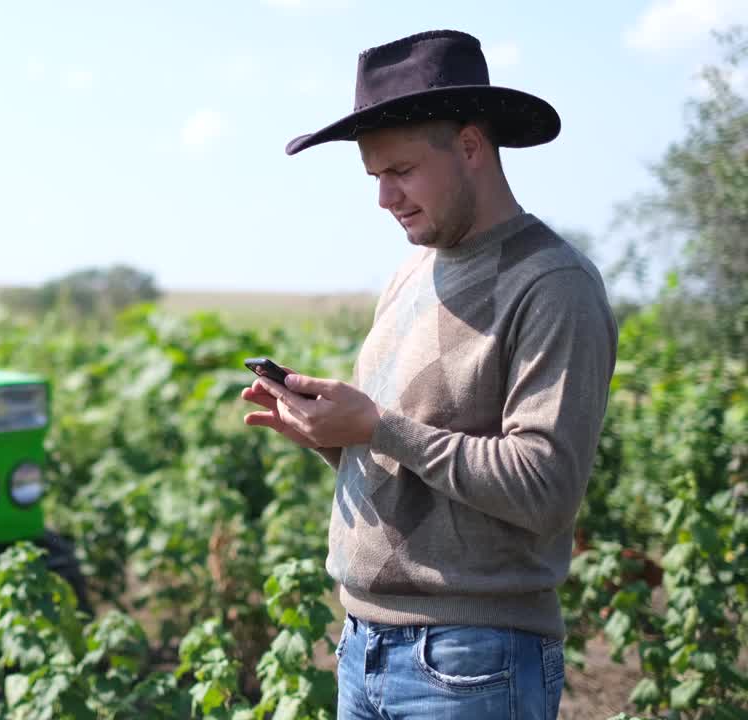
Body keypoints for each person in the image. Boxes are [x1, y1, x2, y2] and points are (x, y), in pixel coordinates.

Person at [240, 29, 617, 719]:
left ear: (471, 147)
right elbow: (417, 459)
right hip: (363, 646)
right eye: (375, 176)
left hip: (472, 661)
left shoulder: (552, 284)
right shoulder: (412, 273)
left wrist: (378, 426)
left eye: (402, 171)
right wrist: (336, 435)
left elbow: (544, 488)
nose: (385, 197)